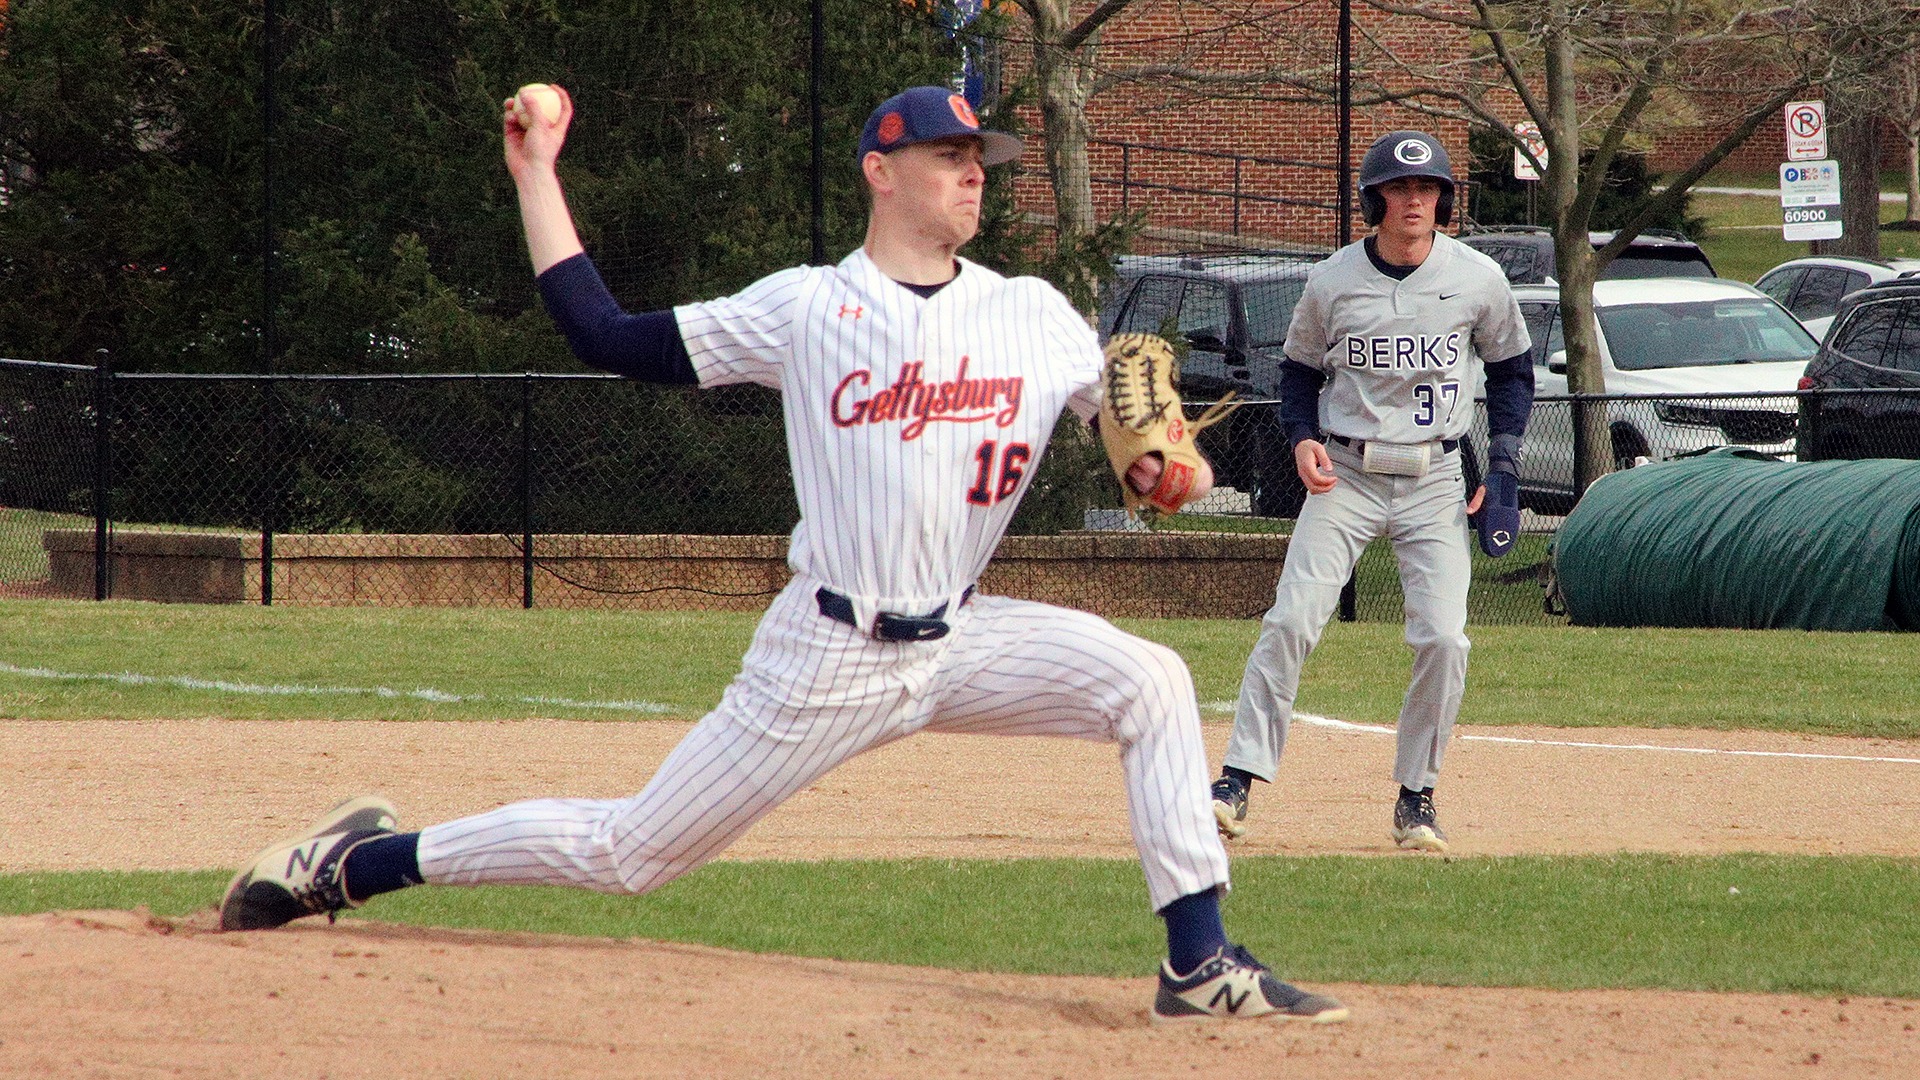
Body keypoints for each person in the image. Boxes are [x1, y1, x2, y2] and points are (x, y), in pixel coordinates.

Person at [217, 84, 1347, 1024]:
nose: (974, 173)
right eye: (949, 154)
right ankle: (352, 865)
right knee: (630, 853)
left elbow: (1136, 439)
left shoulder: (1037, 314)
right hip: (829, 654)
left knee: (1148, 679)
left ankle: (1197, 965)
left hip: (961, 636)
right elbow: (605, 336)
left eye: (981, 157)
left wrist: (1166, 470)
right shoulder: (807, 310)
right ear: (880, 171)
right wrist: (536, 172)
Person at [1209, 130, 1534, 853]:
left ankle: (1416, 797)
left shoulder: (1477, 278)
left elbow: (1513, 373)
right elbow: (1296, 372)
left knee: (1445, 638)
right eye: (1399, 187)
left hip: (1436, 477)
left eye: (1427, 188)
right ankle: (1236, 778)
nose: (1414, 199)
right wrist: (1300, 438)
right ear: (1375, 199)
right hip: (1347, 475)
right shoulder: (1332, 280)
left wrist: (1504, 469)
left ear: (1444, 199)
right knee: (1291, 619)